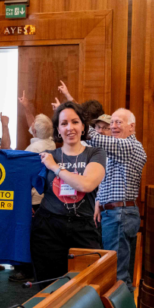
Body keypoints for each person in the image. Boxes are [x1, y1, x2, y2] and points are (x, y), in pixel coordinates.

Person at [31, 102, 107, 282]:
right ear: (58, 128)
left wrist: (55, 168)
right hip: (48, 228)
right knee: (49, 288)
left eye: (74, 122)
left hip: (84, 228)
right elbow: (9, 167)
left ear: (83, 126)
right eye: (64, 123)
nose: (69, 128)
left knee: (86, 287)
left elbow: (86, 184)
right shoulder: (47, 155)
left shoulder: (95, 153)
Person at [84, 107, 147, 286]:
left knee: (117, 276)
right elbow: (108, 179)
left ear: (131, 127)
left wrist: (73, 106)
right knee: (115, 273)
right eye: (112, 122)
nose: (113, 126)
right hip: (114, 212)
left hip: (119, 214)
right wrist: (99, 200)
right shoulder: (119, 147)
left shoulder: (129, 145)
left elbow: (94, 137)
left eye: (118, 122)